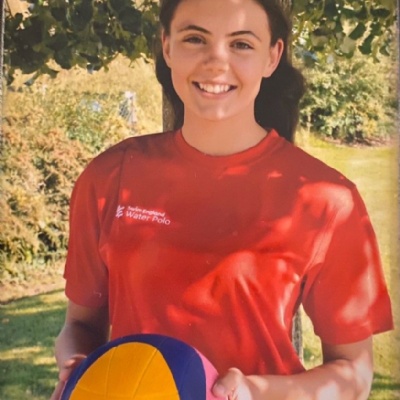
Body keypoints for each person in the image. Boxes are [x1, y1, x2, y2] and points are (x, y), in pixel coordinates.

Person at [51, 0, 394, 399]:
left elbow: (354, 373)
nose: (216, 62)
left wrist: (253, 391)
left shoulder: (327, 199)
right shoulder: (111, 176)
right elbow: (80, 325)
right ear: (167, 47)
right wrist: (77, 369)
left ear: (272, 56)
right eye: (195, 39)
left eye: (241, 44)